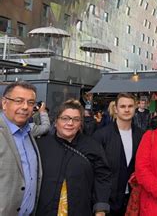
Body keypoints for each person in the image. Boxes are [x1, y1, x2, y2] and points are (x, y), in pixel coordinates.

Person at [36, 99, 112, 215]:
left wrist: (100, 208)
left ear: (80, 123)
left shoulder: (92, 147)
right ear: (56, 122)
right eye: (65, 118)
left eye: (76, 119)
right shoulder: (41, 146)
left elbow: (102, 177)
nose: (70, 123)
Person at [93, 93, 144, 215]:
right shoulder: (101, 136)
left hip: (134, 200)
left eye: (130, 106)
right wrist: (99, 205)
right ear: (116, 109)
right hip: (108, 201)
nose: (126, 109)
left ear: (135, 107)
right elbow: (95, 172)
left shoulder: (142, 135)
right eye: (122, 106)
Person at [0, 81, 42, 215]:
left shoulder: (29, 133)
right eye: (19, 101)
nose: (25, 107)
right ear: (4, 103)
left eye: (30, 103)